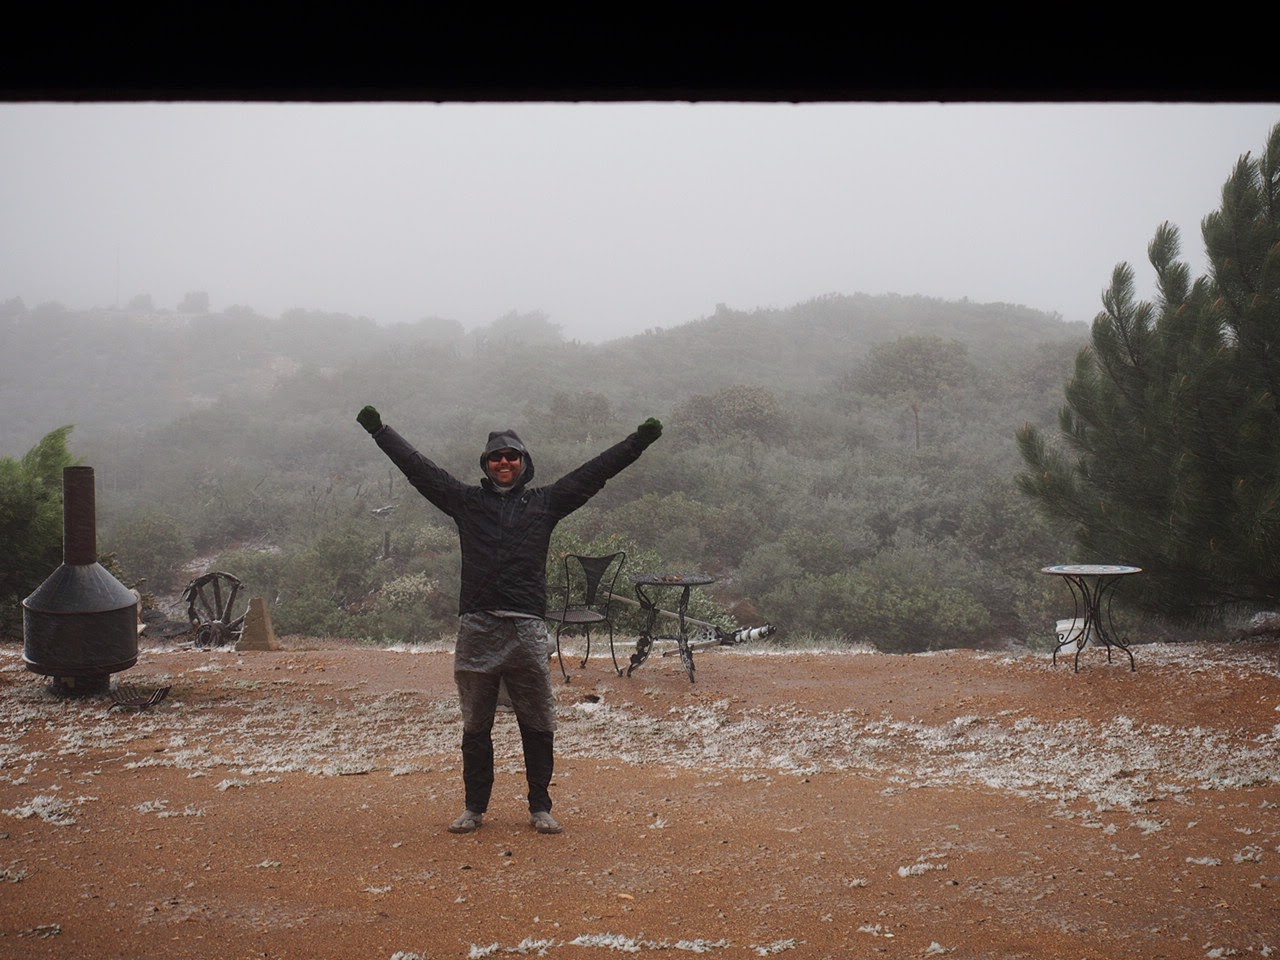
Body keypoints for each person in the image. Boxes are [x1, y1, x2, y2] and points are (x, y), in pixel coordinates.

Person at [356, 405, 662, 834]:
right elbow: (418, 469)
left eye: (511, 456)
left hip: (526, 629)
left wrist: (638, 441)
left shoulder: (545, 504)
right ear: (486, 464)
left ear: (523, 462)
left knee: (537, 721)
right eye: (496, 457)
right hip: (478, 628)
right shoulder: (466, 503)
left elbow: (596, 472)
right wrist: (380, 431)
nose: (504, 462)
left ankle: (540, 806)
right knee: (475, 724)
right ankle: (474, 808)